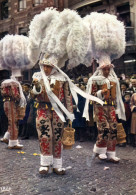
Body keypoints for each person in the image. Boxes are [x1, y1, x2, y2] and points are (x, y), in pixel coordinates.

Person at [32, 57, 73, 175]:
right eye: (44, 66)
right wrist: (36, 88)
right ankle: (44, 164)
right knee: (45, 136)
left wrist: (70, 115)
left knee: (57, 137)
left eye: (48, 66)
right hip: (42, 109)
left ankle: (57, 165)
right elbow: (32, 95)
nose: (46, 69)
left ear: (54, 66)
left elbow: (68, 97)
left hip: (58, 111)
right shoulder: (37, 76)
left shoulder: (62, 78)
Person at [83, 55, 126, 163]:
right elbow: (91, 95)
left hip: (110, 107)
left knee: (113, 129)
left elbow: (117, 96)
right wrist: (100, 92)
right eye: (104, 69)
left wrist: (117, 108)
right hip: (100, 107)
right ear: (100, 69)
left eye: (108, 69)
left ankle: (111, 153)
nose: (106, 71)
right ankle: (100, 150)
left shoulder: (114, 80)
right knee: (104, 128)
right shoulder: (95, 80)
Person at [0, 71, 26, 149]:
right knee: (13, 122)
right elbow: (16, 95)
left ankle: (6, 137)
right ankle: (13, 142)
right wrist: (19, 101)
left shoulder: (4, 83)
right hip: (11, 102)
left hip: (6, 102)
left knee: (11, 121)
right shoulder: (13, 83)